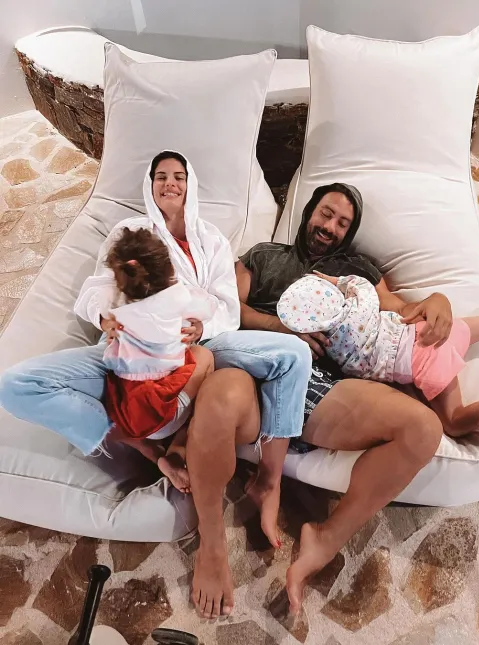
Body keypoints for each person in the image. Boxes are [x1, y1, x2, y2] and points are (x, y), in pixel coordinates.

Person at [186, 182, 449, 619]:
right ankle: (211, 546)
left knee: (424, 429)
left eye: (343, 223)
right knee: (217, 398)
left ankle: (324, 540)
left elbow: (398, 309)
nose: (330, 226)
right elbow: (225, 307)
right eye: (326, 213)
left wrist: (437, 300)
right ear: (309, 211)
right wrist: (280, 328)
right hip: (252, 371)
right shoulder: (265, 257)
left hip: (318, 387)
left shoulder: (357, 268)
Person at [0, 150, 310, 488]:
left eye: (178, 177)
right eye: (161, 176)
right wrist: (106, 320)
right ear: (150, 185)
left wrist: (202, 327)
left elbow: (226, 306)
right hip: (129, 347)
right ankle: (141, 444)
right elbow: (98, 287)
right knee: (15, 385)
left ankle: (268, 480)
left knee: (294, 352)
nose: (169, 183)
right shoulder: (130, 231)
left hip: (203, 342)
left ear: (190, 185)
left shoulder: (213, 240)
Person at [279, 271, 479, 436]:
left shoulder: (334, 346)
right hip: (428, 328)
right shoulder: (361, 303)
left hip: (425, 361)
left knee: (454, 422)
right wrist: (336, 281)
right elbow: (360, 283)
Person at [101, 226, 216, 493]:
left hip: (124, 411)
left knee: (106, 395)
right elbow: (208, 306)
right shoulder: (180, 297)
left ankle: (147, 449)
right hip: (163, 412)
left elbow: (101, 299)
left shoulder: (114, 306)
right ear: (170, 268)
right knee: (205, 357)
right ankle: (179, 444)